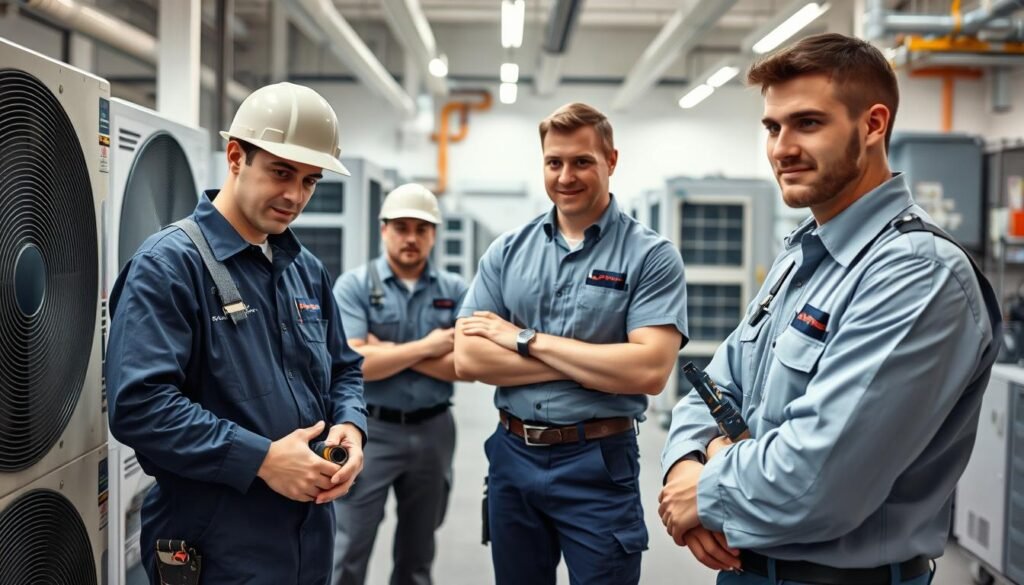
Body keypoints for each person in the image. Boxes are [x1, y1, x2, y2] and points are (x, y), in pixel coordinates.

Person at [658, 33, 1001, 585]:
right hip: (748, 570)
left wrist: (706, 486)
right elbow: (710, 390)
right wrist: (683, 465)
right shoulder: (804, 254)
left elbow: (816, 480)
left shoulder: (916, 273)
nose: (781, 148)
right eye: (772, 127)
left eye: (808, 123)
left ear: (872, 125)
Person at [105, 82, 368, 585]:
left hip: (308, 534)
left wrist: (350, 429)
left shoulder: (304, 269)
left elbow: (343, 369)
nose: (295, 195)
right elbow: (140, 405)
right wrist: (263, 459)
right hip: (215, 541)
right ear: (235, 156)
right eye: (281, 172)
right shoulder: (169, 266)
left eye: (310, 180)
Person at [454, 102, 688, 585]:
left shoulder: (652, 257)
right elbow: (469, 356)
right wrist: (595, 362)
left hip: (598, 463)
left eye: (582, 161)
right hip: (512, 455)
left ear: (611, 161)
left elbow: (648, 372)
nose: (566, 175)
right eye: (553, 162)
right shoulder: (507, 250)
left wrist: (523, 340)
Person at [330, 183, 468, 585]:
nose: (411, 237)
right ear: (384, 229)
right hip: (370, 431)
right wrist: (430, 346)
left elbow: (466, 366)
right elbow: (356, 364)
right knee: (348, 548)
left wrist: (384, 350)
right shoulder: (353, 286)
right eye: (402, 227)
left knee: (418, 551)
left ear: (434, 235)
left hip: (434, 432)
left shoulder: (455, 291)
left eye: (421, 229)